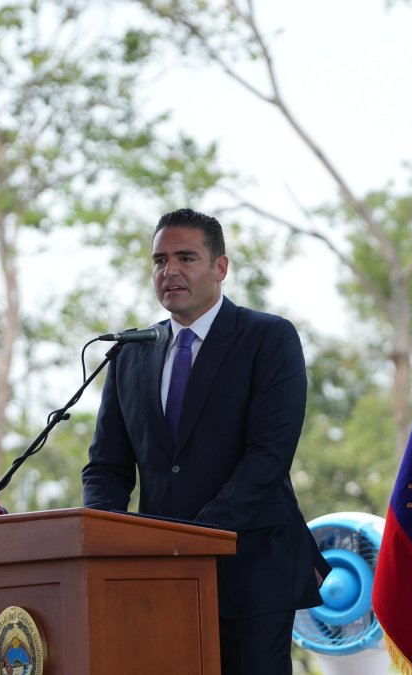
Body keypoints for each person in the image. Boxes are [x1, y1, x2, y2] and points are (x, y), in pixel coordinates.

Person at [83, 208, 330, 675]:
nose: (169, 271)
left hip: (252, 570)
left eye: (186, 258)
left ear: (221, 267)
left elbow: (268, 457)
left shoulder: (268, 337)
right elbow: (106, 468)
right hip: (160, 578)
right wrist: (107, 539)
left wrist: (192, 540)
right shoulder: (130, 353)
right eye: (159, 260)